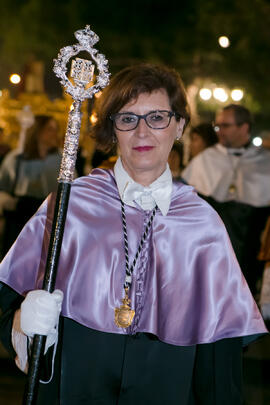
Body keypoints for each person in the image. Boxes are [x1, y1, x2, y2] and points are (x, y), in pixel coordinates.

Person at [0, 65, 267, 405]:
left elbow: (218, 359)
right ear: (113, 129)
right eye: (128, 119)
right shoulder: (71, 204)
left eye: (157, 117)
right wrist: (24, 323)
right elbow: (12, 303)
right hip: (77, 385)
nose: (142, 132)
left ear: (180, 125)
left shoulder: (203, 224)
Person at [182, 104, 270, 295]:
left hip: (249, 255)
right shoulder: (206, 159)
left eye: (225, 126)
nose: (219, 131)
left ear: (244, 128)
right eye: (217, 125)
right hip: (209, 253)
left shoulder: (265, 162)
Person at [0, 115, 62, 256]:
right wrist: (7, 201)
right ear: (38, 132)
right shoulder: (16, 157)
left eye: (56, 129)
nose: (55, 133)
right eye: (49, 129)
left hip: (48, 216)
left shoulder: (62, 159)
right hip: (20, 216)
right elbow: (3, 186)